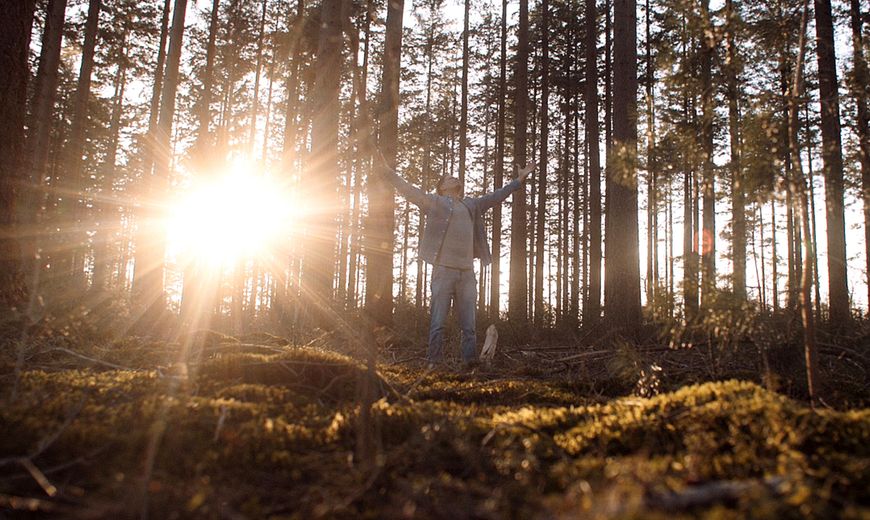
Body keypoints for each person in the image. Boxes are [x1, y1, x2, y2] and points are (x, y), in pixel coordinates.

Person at [377, 151, 535, 368]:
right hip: (444, 271)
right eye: (449, 178)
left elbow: (496, 196)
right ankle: (434, 364)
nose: (455, 178)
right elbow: (408, 190)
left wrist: (519, 179)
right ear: (442, 188)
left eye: (455, 177)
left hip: (467, 273)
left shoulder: (471, 204)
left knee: (469, 326)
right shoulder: (435, 202)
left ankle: (469, 365)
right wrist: (386, 171)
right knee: (438, 323)